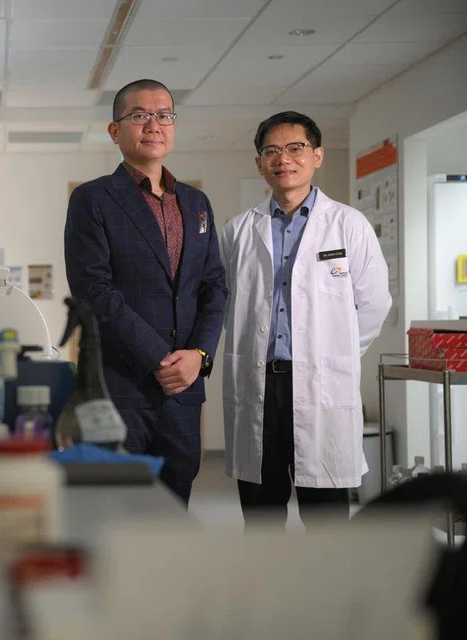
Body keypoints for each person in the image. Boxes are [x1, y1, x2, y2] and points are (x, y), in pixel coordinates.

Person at [221, 111, 391, 528]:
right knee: (261, 512)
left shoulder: (348, 224)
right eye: (271, 151)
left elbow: (373, 304)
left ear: (317, 155)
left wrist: (335, 353)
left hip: (321, 382)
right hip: (259, 382)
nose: (283, 159)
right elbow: (224, 305)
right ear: (259, 163)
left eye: (295, 148)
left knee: (325, 514)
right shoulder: (239, 231)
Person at [64, 78, 228, 504]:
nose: (154, 124)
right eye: (139, 115)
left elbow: (214, 287)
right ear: (115, 130)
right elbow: (93, 290)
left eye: (164, 115)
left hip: (183, 392)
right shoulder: (92, 199)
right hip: (120, 387)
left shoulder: (196, 203)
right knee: (116, 509)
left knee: (175, 506)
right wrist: (160, 358)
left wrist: (199, 355)